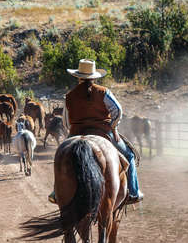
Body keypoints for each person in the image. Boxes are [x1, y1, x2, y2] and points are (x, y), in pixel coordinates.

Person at [48, 59, 144, 205]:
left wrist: (74, 129)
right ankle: (133, 192)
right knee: (129, 155)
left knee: (61, 158)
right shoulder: (103, 92)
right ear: (94, 77)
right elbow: (117, 110)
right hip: (103, 132)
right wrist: (113, 127)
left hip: (76, 133)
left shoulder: (69, 96)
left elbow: (66, 122)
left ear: (78, 77)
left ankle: (56, 193)